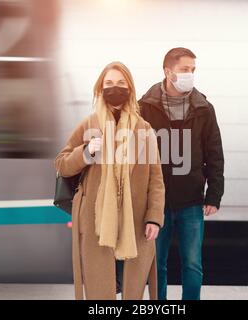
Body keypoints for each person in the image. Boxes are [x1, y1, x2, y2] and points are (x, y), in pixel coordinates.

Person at [55, 61, 165, 300]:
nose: (115, 88)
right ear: (100, 89)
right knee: (99, 292)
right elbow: (62, 164)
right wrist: (85, 152)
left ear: (130, 88)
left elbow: (156, 180)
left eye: (120, 83)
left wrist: (154, 218)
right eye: (109, 84)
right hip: (96, 222)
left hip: (134, 223)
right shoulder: (89, 124)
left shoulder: (144, 130)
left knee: (131, 290)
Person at [139, 47, 225, 300]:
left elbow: (214, 153)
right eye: (185, 69)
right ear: (168, 71)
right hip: (156, 204)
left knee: (192, 265)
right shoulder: (144, 107)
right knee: (157, 266)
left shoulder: (204, 108)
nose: (190, 74)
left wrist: (214, 195)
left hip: (191, 201)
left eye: (193, 70)